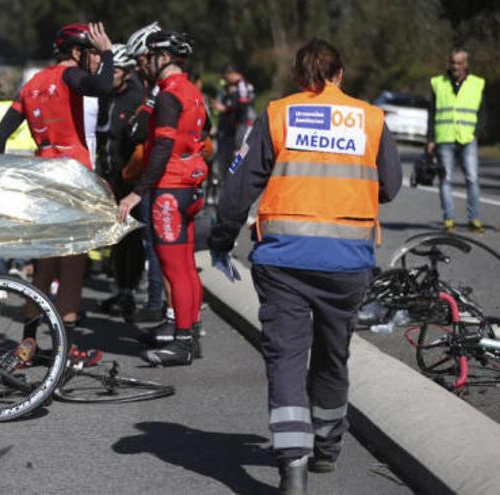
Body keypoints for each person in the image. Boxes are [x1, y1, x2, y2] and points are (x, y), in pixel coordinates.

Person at [206, 39, 402, 494]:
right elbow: (389, 186)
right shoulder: (371, 119)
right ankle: (327, 447)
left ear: (299, 76)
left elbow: (238, 189)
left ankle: (293, 464)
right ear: (340, 74)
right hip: (347, 262)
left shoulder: (277, 114)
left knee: (287, 362)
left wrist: (220, 240)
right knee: (333, 357)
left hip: (284, 262)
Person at [0, 22, 114, 332]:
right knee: (73, 261)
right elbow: (103, 87)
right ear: (75, 52)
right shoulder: (69, 75)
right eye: (91, 53)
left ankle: (28, 341)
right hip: (73, 175)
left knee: (46, 262)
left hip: (44, 175)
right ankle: (68, 347)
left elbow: (0, 136)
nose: (95, 59)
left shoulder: (32, 83)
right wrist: (110, 53)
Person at [116, 30, 209, 367]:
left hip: (171, 189)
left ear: (162, 57)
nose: (146, 63)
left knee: (175, 268)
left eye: (150, 56)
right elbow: (204, 131)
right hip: (192, 185)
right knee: (186, 266)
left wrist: (138, 192)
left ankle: (182, 341)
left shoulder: (168, 95)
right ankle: (191, 334)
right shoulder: (192, 91)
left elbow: (163, 147)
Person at [96, 43, 145, 320]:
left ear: (127, 72)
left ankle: (129, 290)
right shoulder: (105, 96)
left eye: (115, 70)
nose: (110, 74)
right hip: (110, 175)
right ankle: (120, 288)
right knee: (117, 238)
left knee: (132, 237)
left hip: (131, 177)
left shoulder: (136, 96)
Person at [124, 21, 168, 324]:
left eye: (141, 60)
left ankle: (160, 306)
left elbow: (138, 130)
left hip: (163, 177)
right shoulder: (154, 85)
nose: (140, 67)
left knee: (160, 244)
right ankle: (164, 309)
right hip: (157, 173)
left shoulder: (161, 88)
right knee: (156, 243)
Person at [426, 47, 486, 233]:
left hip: (468, 138)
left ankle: (474, 219)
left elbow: (483, 113)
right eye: (453, 62)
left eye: (459, 63)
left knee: (472, 179)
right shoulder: (438, 83)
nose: (455, 66)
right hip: (445, 137)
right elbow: (432, 113)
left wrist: (476, 133)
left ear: (466, 64)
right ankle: (449, 219)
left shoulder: (477, 83)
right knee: (446, 180)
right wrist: (430, 139)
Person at [211, 63, 256, 179]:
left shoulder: (242, 85)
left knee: (241, 150)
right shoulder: (237, 86)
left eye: (227, 76)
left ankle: (238, 174)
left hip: (245, 124)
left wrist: (226, 108)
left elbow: (243, 104)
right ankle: (235, 175)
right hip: (240, 125)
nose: (227, 80)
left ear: (232, 74)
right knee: (238, 150)